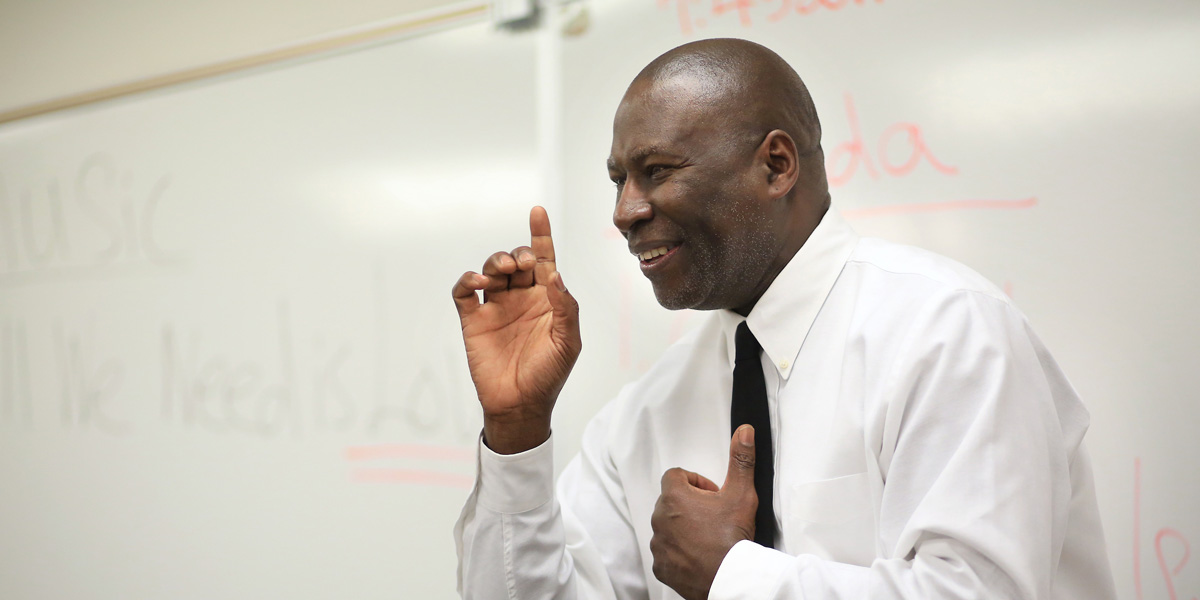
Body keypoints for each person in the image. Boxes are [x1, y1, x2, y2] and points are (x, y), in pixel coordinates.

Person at [450, 38, 1117, 600]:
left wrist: (735, 577)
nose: (626, 211)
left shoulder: (946, 334)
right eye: (619, 180)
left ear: (776, 165)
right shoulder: (646, 413)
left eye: (656, 171)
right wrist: (516, 432)